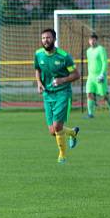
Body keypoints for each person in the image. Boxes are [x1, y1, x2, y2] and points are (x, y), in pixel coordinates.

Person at [34, 28, 80, 163]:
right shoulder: (38, 54)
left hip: (62, 93)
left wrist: (62, 80)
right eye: (43, 38)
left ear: (54, 39)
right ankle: (72, 132)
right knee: (52, 131)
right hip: (47, 95)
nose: (45, 40)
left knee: (57, 127)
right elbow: (37, 69)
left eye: (48, 38)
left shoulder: (64, 56)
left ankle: (62, 155)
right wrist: (38, 82)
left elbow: (76, 75)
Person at [85, 33, 110, 118]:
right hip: (91, 77)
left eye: (93, 40)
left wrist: (102, 74)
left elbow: (104, 62)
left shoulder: (101, 49)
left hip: (100, 76)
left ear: (96, 40)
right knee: (89, 94)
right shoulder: (88, 51)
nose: (92, 41)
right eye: (90, 40)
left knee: (104, 96)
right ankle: (90, 113)